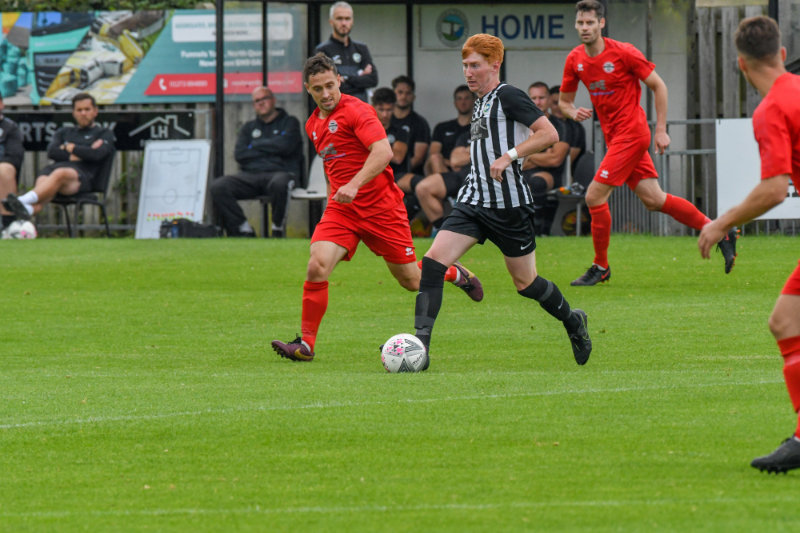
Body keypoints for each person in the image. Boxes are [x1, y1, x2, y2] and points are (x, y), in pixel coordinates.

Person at [271, 53, 483, 362]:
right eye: (318, 89)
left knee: (411, 281)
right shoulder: (313, 125)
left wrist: (354, 185)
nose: (326, 93)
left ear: (339, 81)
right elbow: (332, 169)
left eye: (330, 85)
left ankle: (453, 273)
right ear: (308, 88)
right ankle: (306, 345)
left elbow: (383, 152)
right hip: (343, 212)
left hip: (382, 209)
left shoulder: (358, 110)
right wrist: (333, 203)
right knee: (317, 265)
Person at [412, 34, 592, 371]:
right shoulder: (480, 101)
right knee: (433, 263)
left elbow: (549, 134)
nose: (468, 72)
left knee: (527, 284)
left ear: (495, 65)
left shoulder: (508, 95)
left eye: (475, 65)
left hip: (508, 206)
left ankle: (573, 320)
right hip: (473, 201)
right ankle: (419, 347)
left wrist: (509, 156)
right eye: (465, 65)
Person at [559, 0, 738, 286]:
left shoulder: (624, 52)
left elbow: (659, 85)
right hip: (615, 138)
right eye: (580, 23)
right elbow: (564, 102)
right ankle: (721, 230)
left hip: (632, 134)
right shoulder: (575, 59)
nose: (585, 27)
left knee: (593, 196)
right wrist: (572, 112)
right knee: (654, 200)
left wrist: (661, 130)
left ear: (602, 23)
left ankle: (600, 266)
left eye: (590, 22)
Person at [698, 16, 800, 474]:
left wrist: (721, 223)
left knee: (786, 322)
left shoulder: (771, 109)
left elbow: (775, 189)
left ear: (740, 64)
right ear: (782, 54)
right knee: (785, 321)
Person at [3, 93, 115, 220]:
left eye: (87, 109)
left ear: (95, 111)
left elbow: (97, 154)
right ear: (73, 113)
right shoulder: (64, 132)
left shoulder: (104, 133)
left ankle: (22, 200)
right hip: (54, 174)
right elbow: (52, 152)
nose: (83, 113)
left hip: (82, 177)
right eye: (79, 110)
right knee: (44, 181)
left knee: (60, 173)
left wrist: (71, 147)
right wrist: (85, 150)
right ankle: (28, 209)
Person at [210, 86, 302, 237]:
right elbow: (240, 154)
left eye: (264, 99)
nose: (261, 103)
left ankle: (277, 229)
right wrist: (273, 147)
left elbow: (285, 147)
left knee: (280, 183)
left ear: (273, 100)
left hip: (280, 173)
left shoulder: (289, 122)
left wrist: (255, 145)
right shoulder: (248, 128)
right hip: (251, 176)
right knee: (219, 186)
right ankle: (244, 229)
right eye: (256, 101)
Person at [412, 85, 475, 233]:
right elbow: (451, 159)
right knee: (433, 162)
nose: (463, 102)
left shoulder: (479, 127)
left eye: (467, 98)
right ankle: (442, 227)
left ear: (474, 101)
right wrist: (455, 161)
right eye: (459, 99)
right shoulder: (445, 128)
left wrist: (464, 155)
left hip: (473, 175)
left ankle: (453, 203)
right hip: (449, 172)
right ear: (455, 102)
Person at [523, 81, 571, 234]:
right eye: (534, 98)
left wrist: (529, 154)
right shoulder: (521, 125)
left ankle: (538, 230)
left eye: (542, 98)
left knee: (537, 182)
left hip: (551, 175)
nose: (537, 102)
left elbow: (555, 159)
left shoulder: (560, 125)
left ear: (550, 99)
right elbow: (516, 159)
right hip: (523, 171)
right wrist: (543, 154)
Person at [315, 1, 377, 103]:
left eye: (347, 19)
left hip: (359, 109)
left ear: (352, 21)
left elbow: (373, 80)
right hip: (337, 110)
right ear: (331, 21)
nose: (344, 23)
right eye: (339, 18)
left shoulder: (361, 48)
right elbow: (330, 86)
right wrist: (359, 78)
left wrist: (347, 79)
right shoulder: (322, 50)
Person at [391, 75, 430, 176]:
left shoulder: (420, 123)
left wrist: (397, 175)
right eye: (400, 92)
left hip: (409, 175)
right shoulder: (384, 119)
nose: (403, 96)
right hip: (382, 173)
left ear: (413, 97)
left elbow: (418, 158)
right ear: (393, 94)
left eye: (408, 93)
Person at [371, 87, 409, 178]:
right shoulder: (364, 129)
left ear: (394, 108)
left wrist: (370, 144)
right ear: (373, 107)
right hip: (370, 176)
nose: (385, 114)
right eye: (381, 109)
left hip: (394, 176)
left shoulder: (400, 132)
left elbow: (398, 158)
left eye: (389, 110)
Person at [0, 94, 24, 229]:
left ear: (1, 104)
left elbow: (15, 156)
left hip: (2, 172)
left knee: (4, 169)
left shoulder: (11, 128)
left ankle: (8, 226)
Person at [549, 84, 586, 170]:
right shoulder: (545, 122)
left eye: (563, 103)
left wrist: (531, 157)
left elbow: (565, 163)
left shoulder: (576, 128)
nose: (559, 108)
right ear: (548, 103)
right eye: (555, 103)